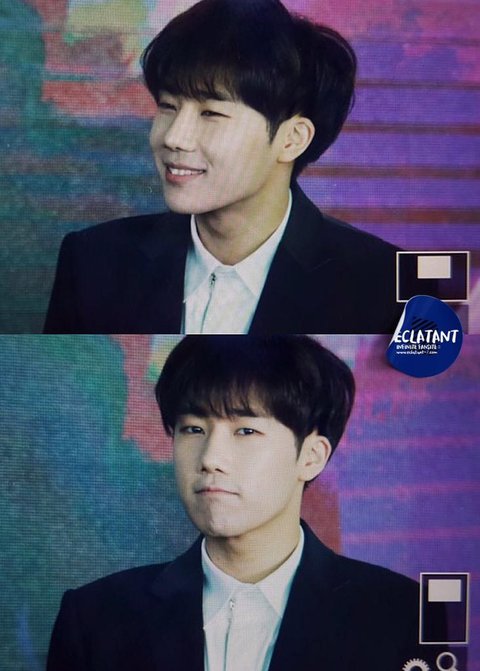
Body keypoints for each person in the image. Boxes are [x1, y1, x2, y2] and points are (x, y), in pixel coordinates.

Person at [47, 335, 447, 670]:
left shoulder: (401, 615)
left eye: (246, 431)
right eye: (193, 429)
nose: (210, 458)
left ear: (311, 456)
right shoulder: (96, 618)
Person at [44, 0, 403, 335]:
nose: (174, 138)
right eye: (168, 106)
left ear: (292, 139)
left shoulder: (386, 281)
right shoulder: (93, 261)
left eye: (210, 113)